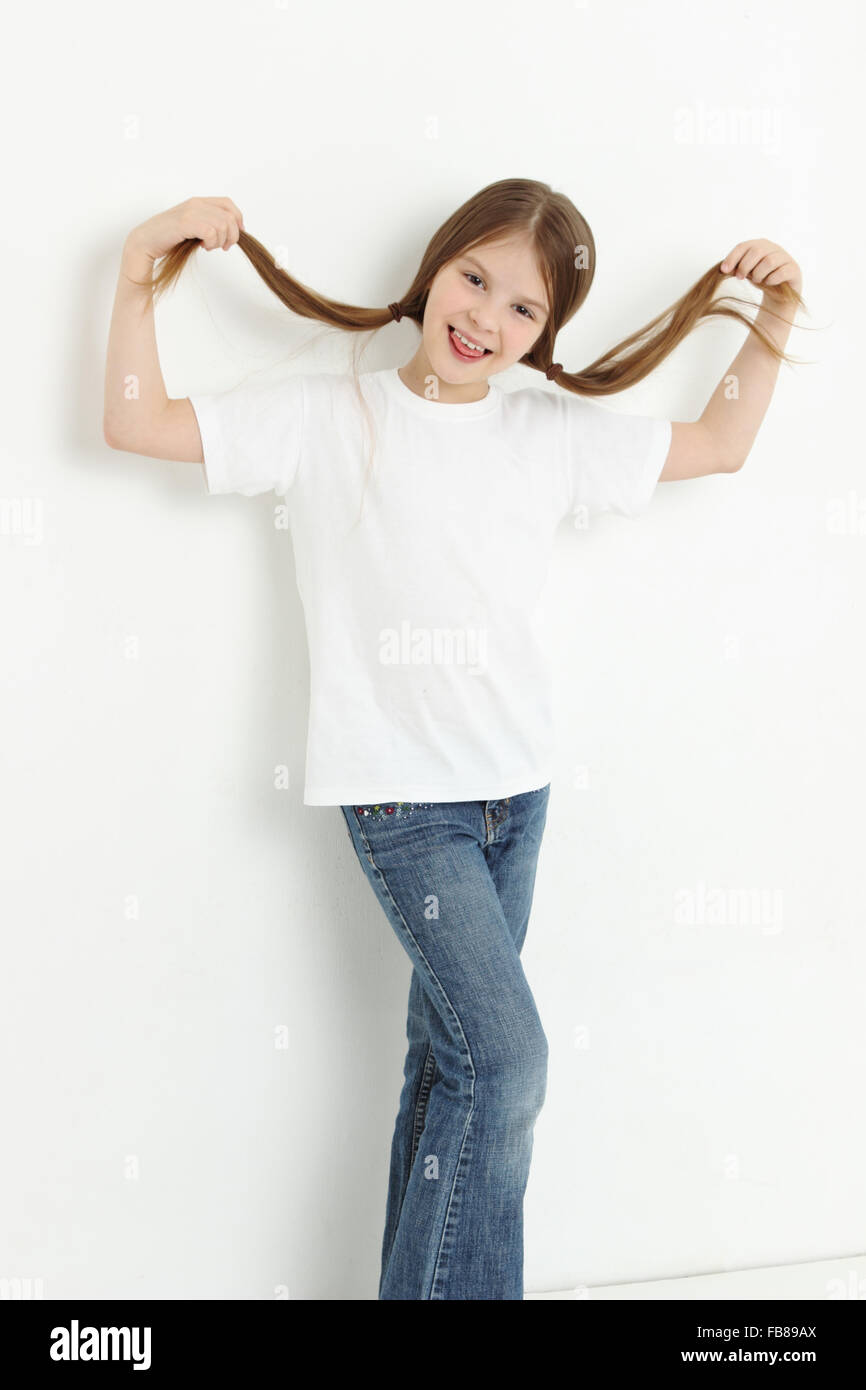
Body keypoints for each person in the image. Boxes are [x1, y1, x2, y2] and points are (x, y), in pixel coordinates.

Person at [103, 178, 805, 1299]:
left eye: (522, 310)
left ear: (545, 334)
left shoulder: (546, 430)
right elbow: (133, 420)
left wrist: (768, 324)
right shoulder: (330, 412)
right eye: (472, 279)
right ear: (434, 269)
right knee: (508, 1064)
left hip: (515, 796)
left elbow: (719, 442)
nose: (483, 319)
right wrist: (139, 269)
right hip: (402, 802)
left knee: (448, 1072)